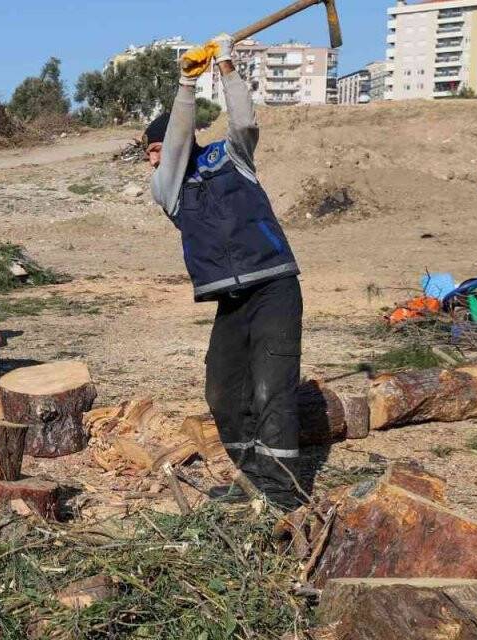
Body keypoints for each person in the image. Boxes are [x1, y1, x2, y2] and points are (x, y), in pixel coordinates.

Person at [146, 35, 304, 509]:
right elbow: (177, 144)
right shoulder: (166, 189)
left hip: (274, 284)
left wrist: (227, 66)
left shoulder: (232, 157)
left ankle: (282, 492)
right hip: (231, 301)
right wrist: (185, 84)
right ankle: (251, 478)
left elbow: (244, 121)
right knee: (222, 391)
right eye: (148, 152)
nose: (153, 158)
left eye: (156, 148)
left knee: (272, 388)